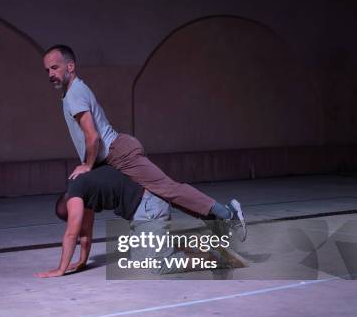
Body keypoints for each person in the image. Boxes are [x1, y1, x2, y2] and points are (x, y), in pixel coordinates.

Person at [42, 44, 246, 241]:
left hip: (120, 154)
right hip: (112, 157)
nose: (51, 74)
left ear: (70, 66)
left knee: (167, 189)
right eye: (47, 70)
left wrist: (87, 166)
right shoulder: (72, 93)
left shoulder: (74, 94)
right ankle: (216, 221)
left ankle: (228, 213)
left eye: (55, 67)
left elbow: (92, 136)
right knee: (162, 194)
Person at [35, 165, 222, 278]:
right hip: (142, 211)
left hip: (149, 207)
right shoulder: (84, 191)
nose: (79, 218)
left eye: (74, 215)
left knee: (158, 266)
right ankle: (188, 248)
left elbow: (72, 233)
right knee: (139, 261)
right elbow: (86, 234)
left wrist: (61, 269)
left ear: (69, 204)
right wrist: (82, 261)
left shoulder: (75, 192)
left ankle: (211, 257)